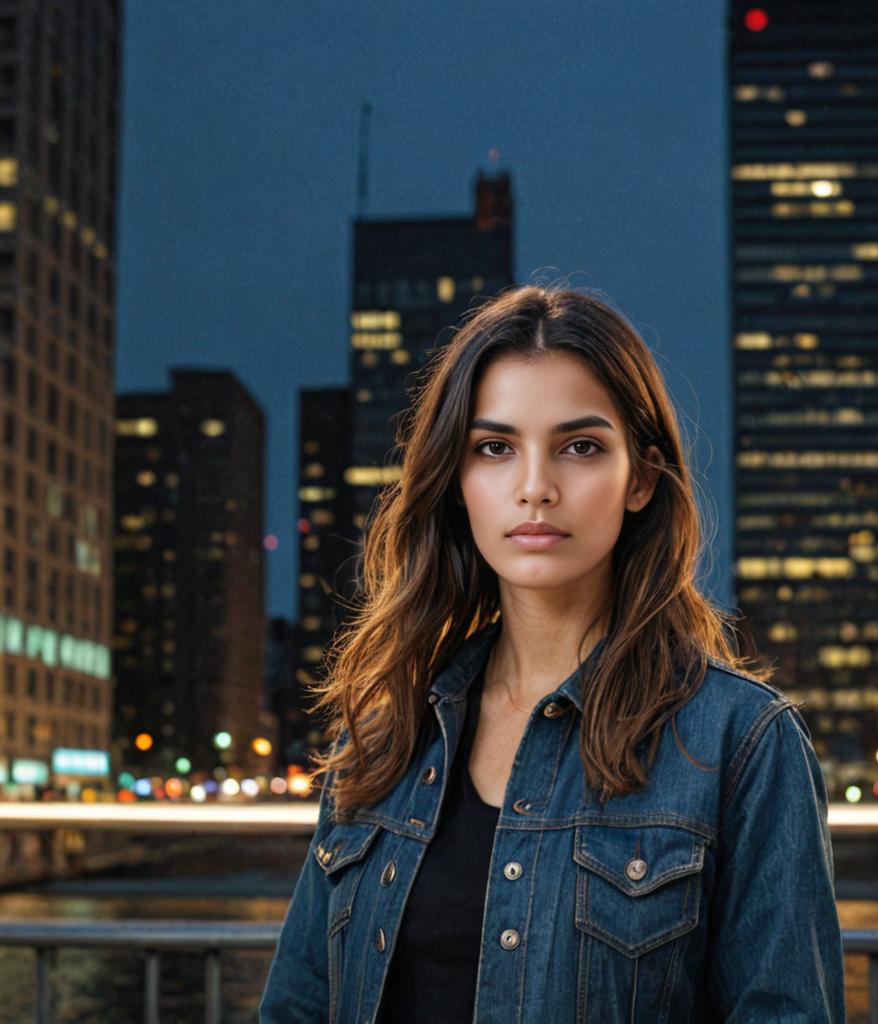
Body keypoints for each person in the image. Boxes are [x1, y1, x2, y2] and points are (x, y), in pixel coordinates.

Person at [259, 284, 846, 1023]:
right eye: (495, 448)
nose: (535, 488)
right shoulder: (388, 732)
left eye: (580, 447)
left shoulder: (742, 744)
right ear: (457, 481)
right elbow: (298, 1007)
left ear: (641, 479)